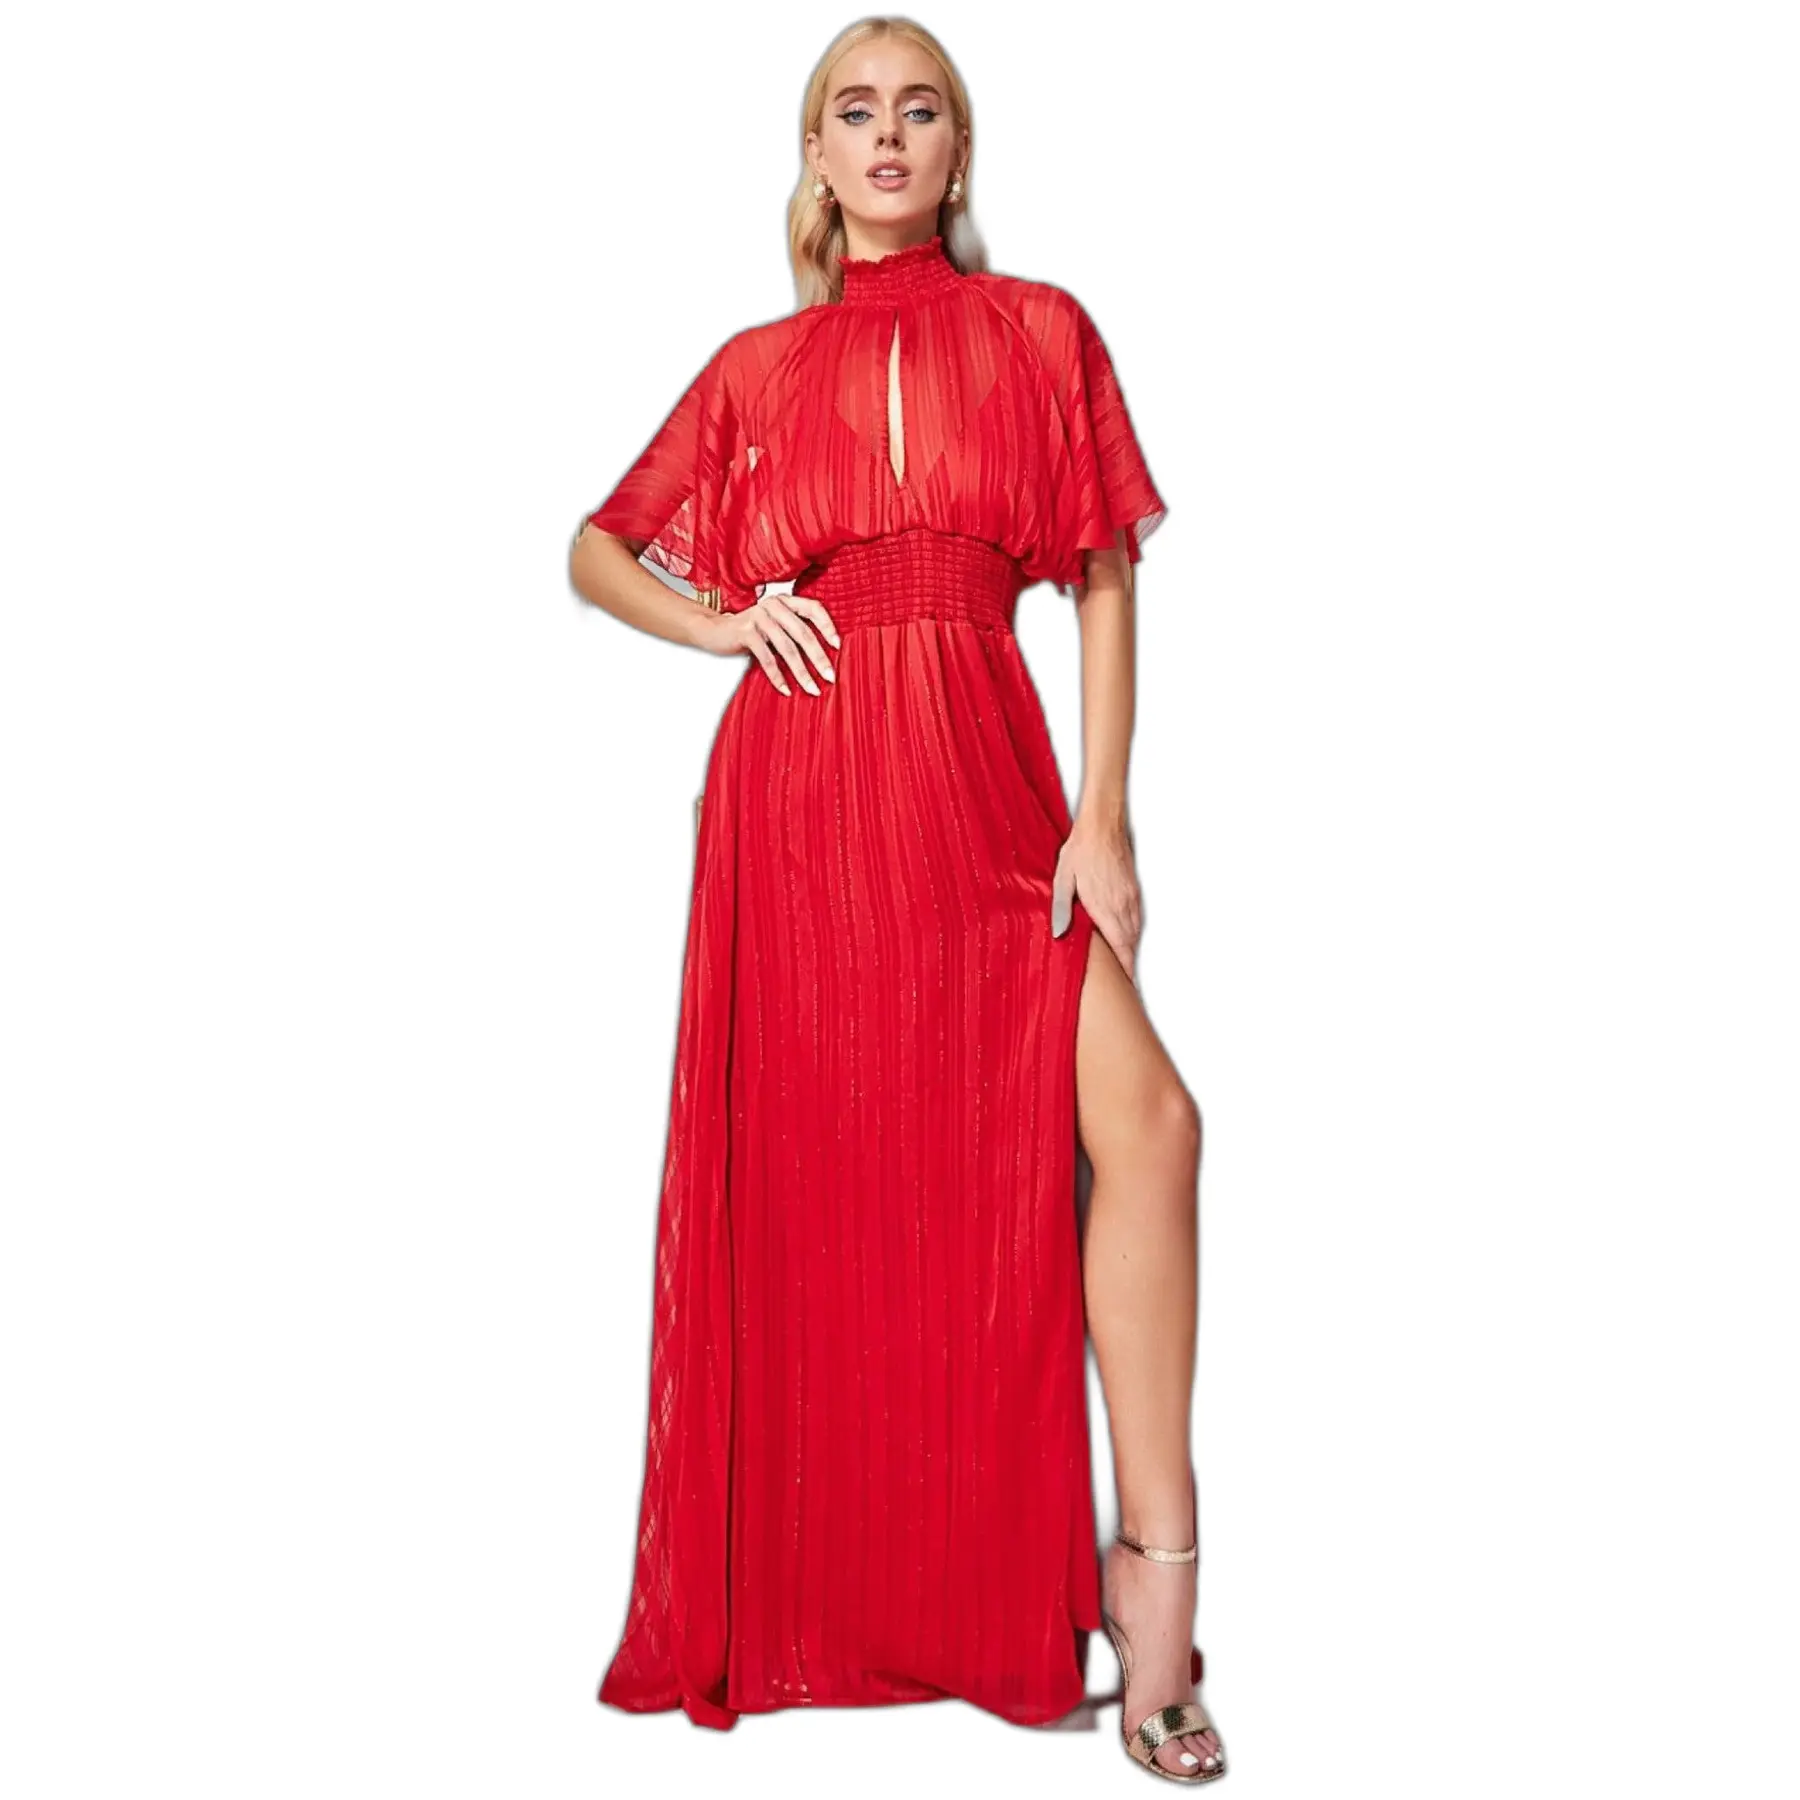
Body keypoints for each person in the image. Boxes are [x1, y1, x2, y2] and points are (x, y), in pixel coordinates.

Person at [569, 17, 1225, 1784]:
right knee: (853, 1196)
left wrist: (1105, 820)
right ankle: (895, 1597)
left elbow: (1101, 572)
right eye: (852, 112)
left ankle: (1155, 1599)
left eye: (917, 109)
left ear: (956, 149)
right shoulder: (756, 370)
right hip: (807, 809)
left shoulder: (1042, 331)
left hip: (994, 794)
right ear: (815, 155)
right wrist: (726, 622)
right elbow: (596, 548)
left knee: (1151, 1127)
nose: (886, 134)